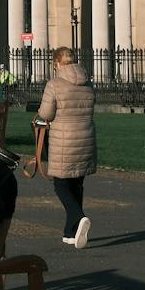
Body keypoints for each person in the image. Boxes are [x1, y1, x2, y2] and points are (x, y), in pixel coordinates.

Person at [32, 45, 97, 249]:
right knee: (77, 183)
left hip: (63, 140)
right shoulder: (88, 83)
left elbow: (46, 114)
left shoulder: (55, 84)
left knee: (60, 184)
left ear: (57, 63)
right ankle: (70, 232)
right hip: (86, 138)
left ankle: (79, 216)